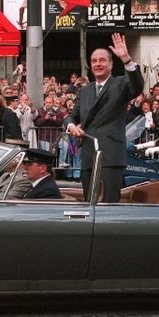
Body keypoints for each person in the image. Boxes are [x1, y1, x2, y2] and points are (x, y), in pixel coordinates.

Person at [64, 33, 144, 202]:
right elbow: (71, 116)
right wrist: (71, 126)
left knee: (108, 206)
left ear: (111, 64)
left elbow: (137, 87)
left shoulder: (120, 84)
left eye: (102, 60)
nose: (98, 64)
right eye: (94, 61)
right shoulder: (85, 91)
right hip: (88, 156)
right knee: (89, 204)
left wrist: (127, 60)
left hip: (110, 156)